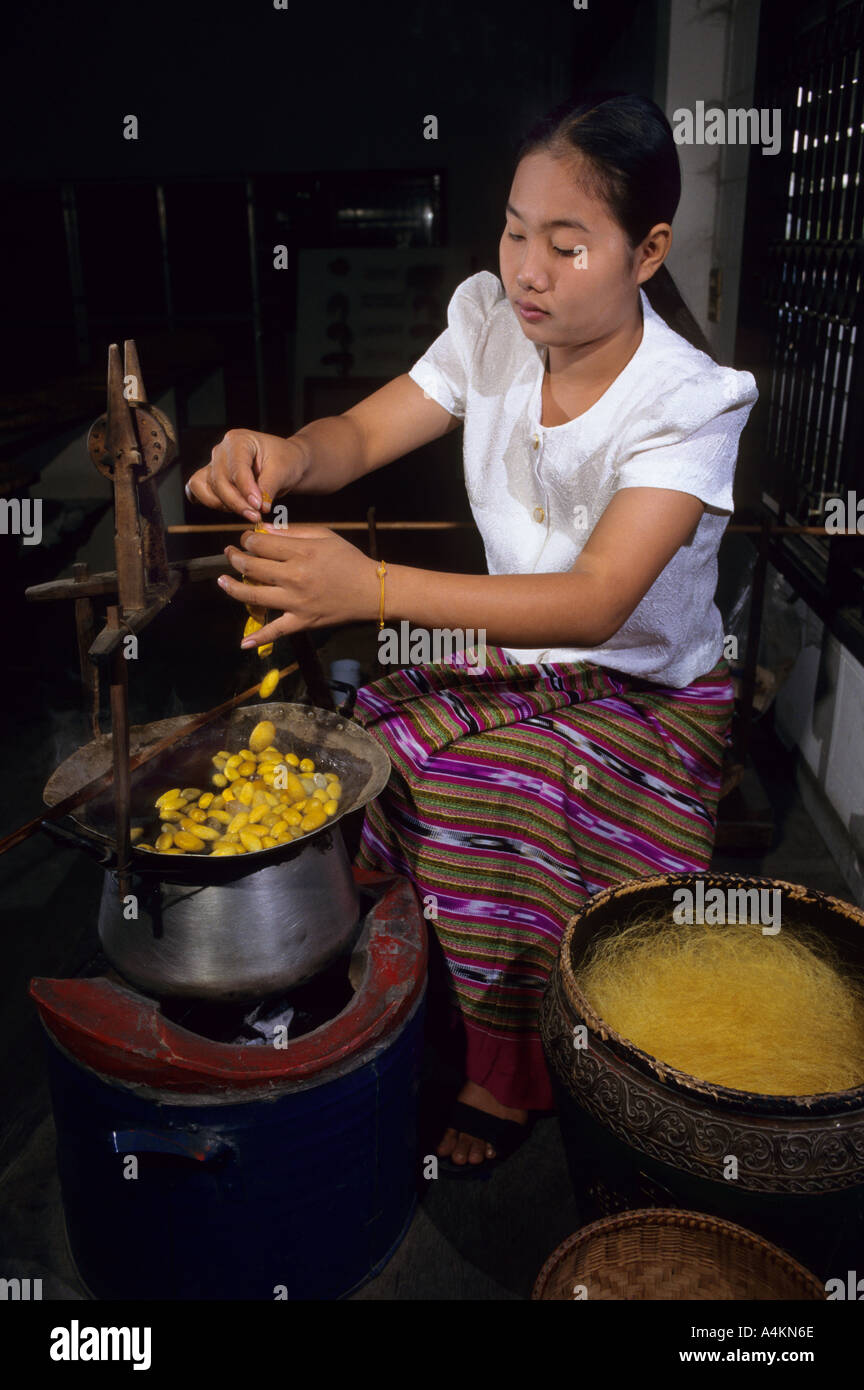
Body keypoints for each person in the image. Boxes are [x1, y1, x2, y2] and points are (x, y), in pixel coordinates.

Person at [186, 91, 758, 1174]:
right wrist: (285, 455)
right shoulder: (493, 326)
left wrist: (373, 586)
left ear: (648, 251)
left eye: (567, 243)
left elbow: (596, 601)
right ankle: (411, 978)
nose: (529, 268)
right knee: (373, 744)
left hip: (638, 694)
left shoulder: (688, 401)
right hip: (509, 650)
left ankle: (507, 1067)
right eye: (514, 229)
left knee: (499, 789)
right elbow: (356, 433)